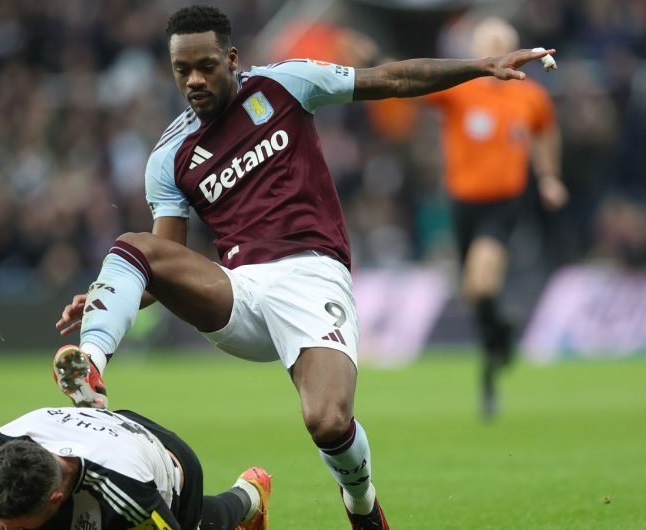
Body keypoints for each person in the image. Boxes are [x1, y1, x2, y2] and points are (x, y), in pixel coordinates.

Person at [53, 6, 556, 528]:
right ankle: (91, 364)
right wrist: (116, 293)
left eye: (205, 66)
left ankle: (361, 504)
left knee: (328, 421)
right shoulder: (169, 157)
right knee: (132, 246)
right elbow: (165, 259)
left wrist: (481, 65)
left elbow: (392, 78)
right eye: (182, 70)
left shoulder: (285, 85)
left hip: (312, 276)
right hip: (239, 291)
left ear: (231, 59)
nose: (194, 80)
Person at [421, 17, 568, 418]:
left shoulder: (531, 97)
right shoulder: (460, 90)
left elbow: (546, 133)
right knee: (474, 292)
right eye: (490, 44)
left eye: (504, 43)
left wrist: (549, 177)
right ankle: (498, 345)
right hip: (462, 204)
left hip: (505, 203)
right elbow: (416, 85)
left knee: (482, 282)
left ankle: (494, 356)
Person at [0, 405, 271, 530]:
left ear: (56, 498)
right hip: (106, 438)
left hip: (168, 468)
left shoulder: (128, 497)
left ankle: (249, 495)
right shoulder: (1, 452)